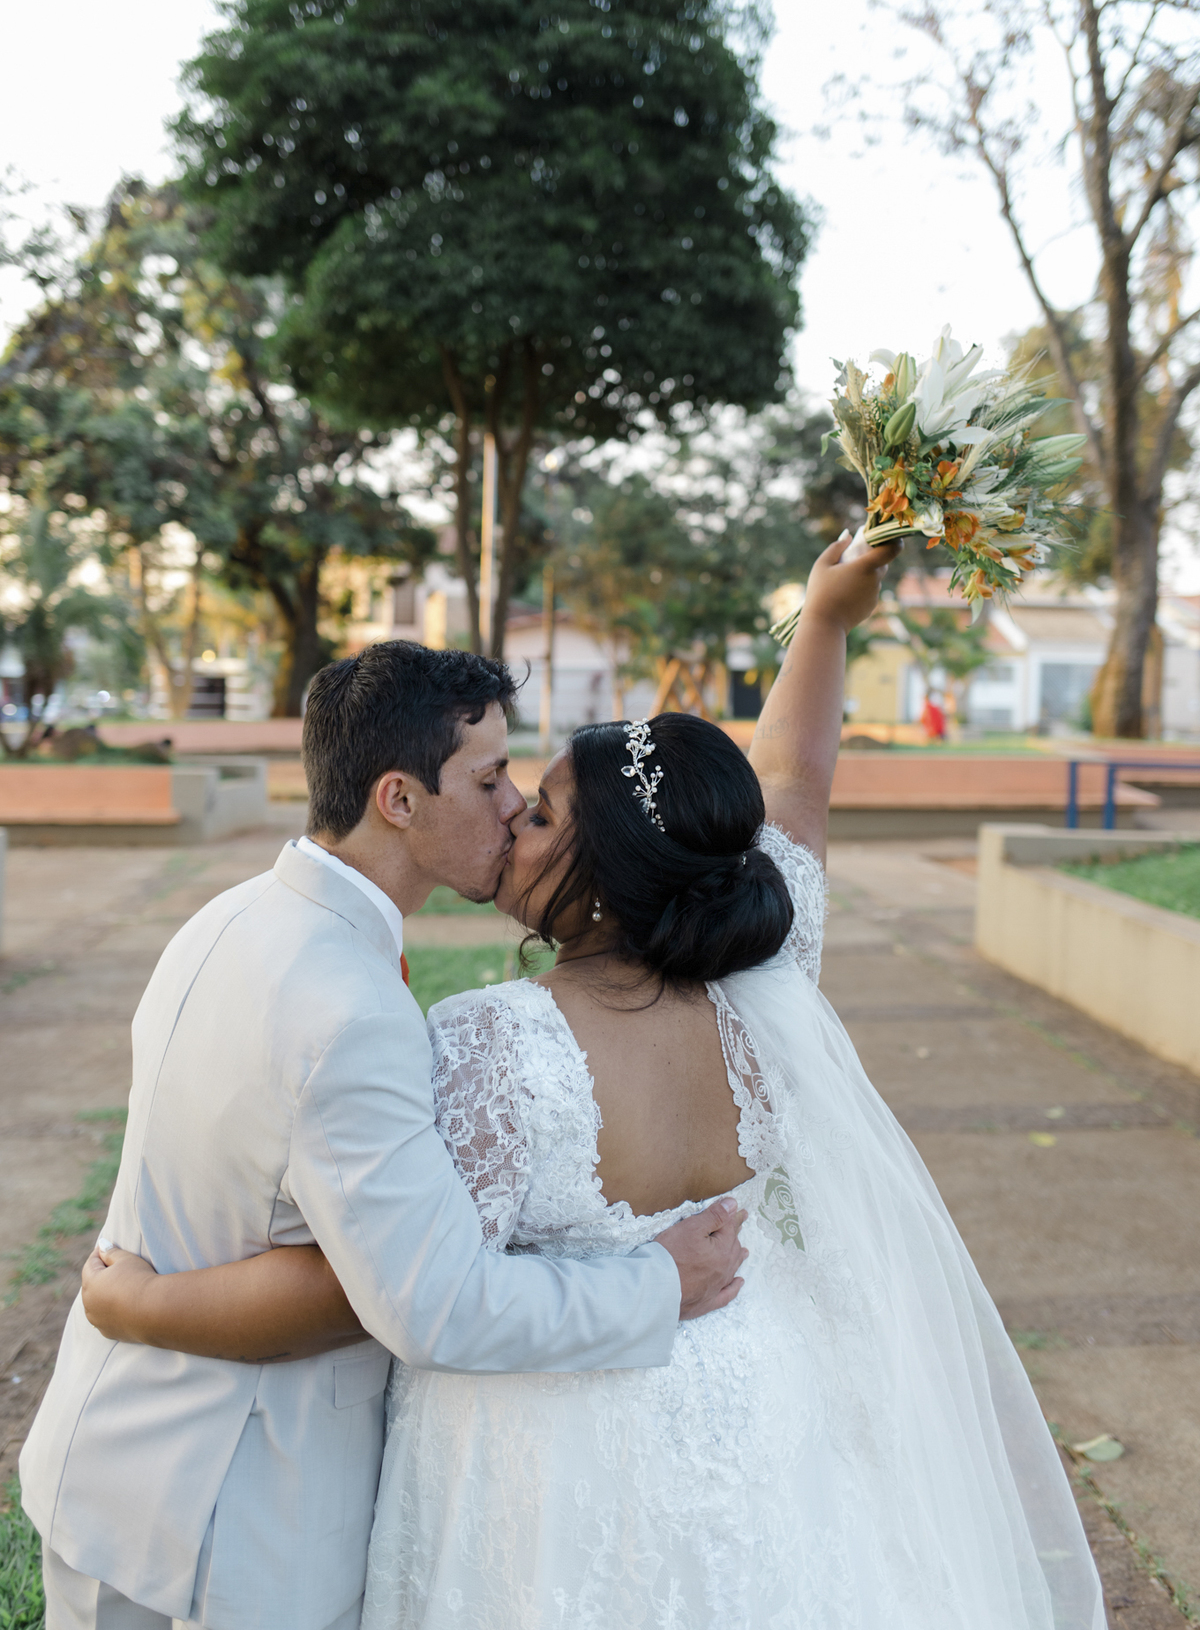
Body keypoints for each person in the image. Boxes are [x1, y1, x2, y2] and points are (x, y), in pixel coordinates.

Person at [80, 534, 1105, 1629]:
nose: (516, 814)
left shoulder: (487, 1045)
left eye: (545, 812)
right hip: (755, 1398)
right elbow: (798, 780)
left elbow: (392, 1291)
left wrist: (145, 1304)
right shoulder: (770, 978)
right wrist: (825, 621)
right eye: (509, 789)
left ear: (607, 874)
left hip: (538, 1460)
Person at [20, 642, 747, 1630]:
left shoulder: (230, 918)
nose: (509, 807)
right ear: (399, 800)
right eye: (489, 779)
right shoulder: (349, 1007)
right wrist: (658, 1282)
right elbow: (432, 1306)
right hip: (222, 1511)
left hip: (120, 1463)